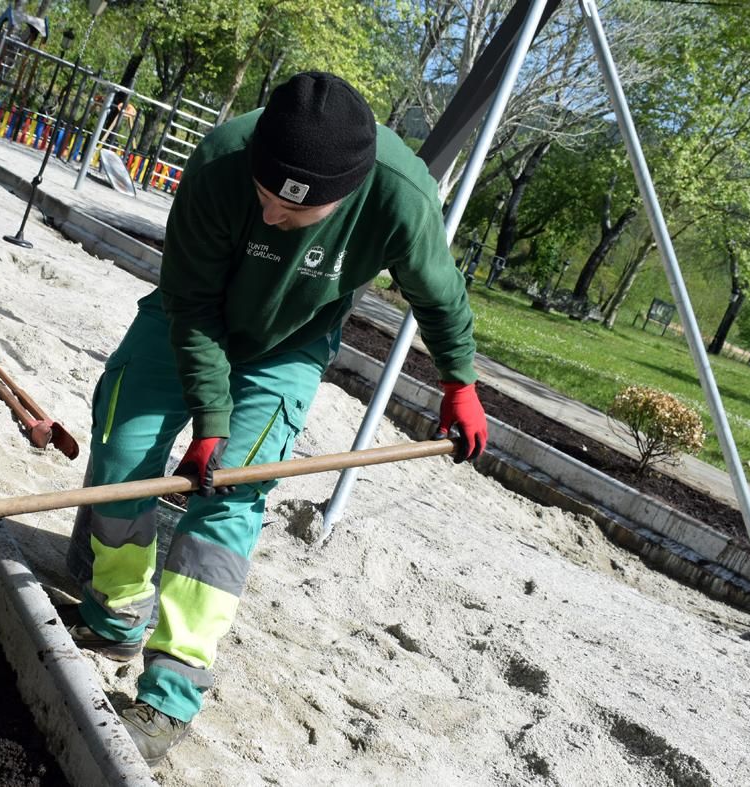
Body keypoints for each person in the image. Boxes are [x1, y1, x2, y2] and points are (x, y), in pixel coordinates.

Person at [64, 71, 488, 764]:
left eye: (290, 212)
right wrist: (209, 417)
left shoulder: (400, 196)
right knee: (121, 450)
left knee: (231, 493)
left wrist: (457, 382)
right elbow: (191, 304)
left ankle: (170, 694)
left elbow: (438, 297)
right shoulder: (221, 160)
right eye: (261, 197)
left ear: (345, 194)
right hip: (188, 322)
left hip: (287, 345)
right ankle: (114, 614)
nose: (268, 216)